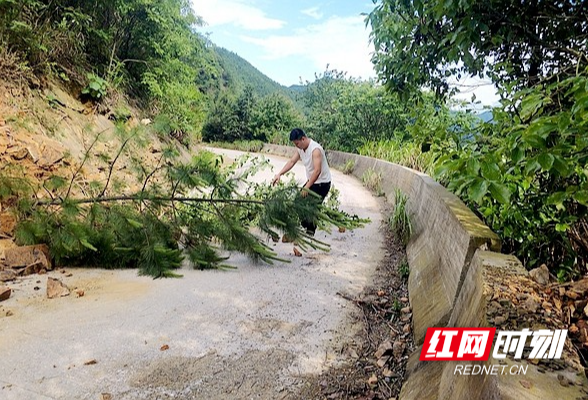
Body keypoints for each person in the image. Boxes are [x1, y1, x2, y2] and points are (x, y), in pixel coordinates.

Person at [272, 128, 332, 236]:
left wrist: (307, 186)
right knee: (298, 202)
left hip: (322, 183)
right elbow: (291, 161)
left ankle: (310, 232)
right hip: (313, 181)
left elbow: (317, 171)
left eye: (297, 143)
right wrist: (279, 174)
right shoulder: (300, 149)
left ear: (303, 139)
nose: (296, 146)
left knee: (312, 207)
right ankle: (306, 227)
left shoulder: (315, 150)